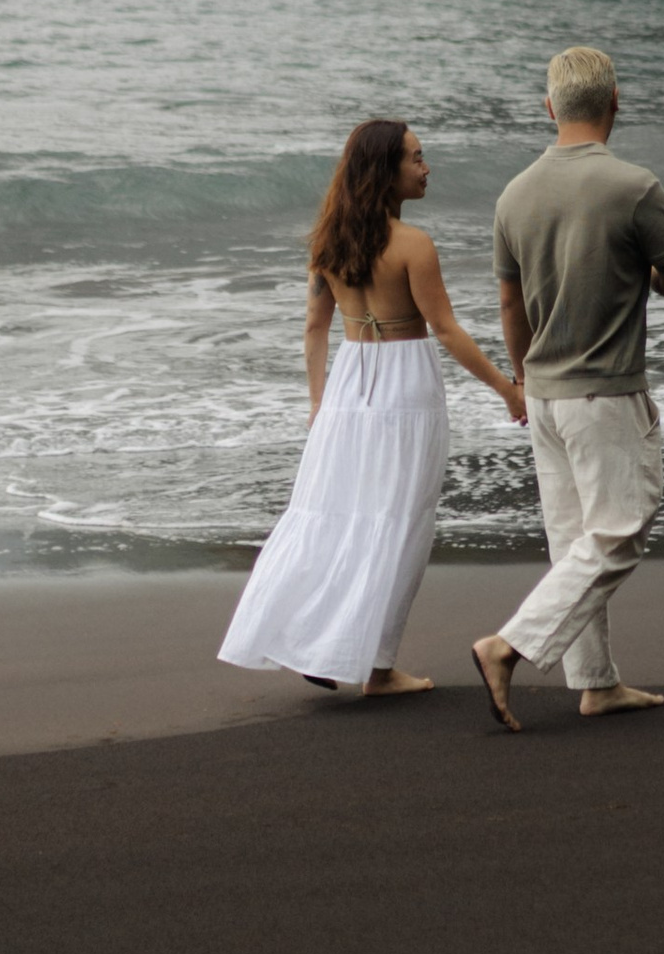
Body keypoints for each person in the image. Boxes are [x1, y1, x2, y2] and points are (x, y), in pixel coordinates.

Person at [220, 116, 523, 694]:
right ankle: (377, 668)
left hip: (347, 386)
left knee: (334, 517)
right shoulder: (413, 245)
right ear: (385, 172)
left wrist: (318, 405)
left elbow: (314, 328)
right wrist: (507, 389)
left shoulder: (328, 242)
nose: (426, 167)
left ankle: (313, 637)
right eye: (415, 158)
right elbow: (447, 330)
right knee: (399, 523)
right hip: (405, 385)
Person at [473, 45, 664, 731]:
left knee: (575, 540)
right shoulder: (633, 186)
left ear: (549, 109)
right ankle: (508, 645)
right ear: (615, 104)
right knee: (620, 530)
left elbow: (511, 306)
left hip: (541, 389)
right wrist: (643, 274)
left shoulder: (514, 194)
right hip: (604, 391)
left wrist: (520, 378)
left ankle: (595, 683)